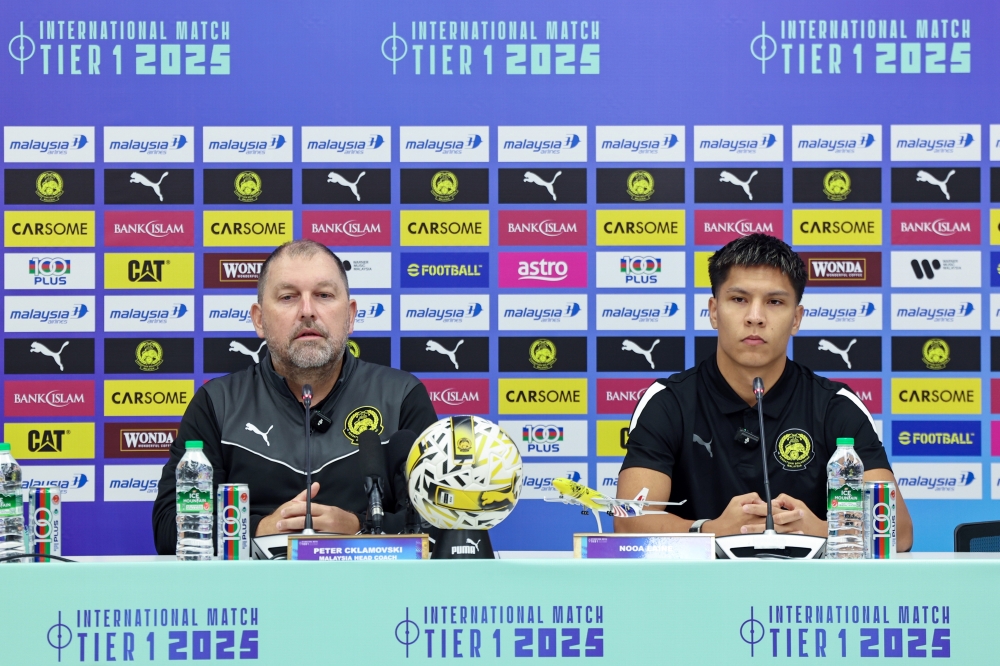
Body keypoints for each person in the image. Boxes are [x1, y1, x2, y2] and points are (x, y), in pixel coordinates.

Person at [615, 234, 913, 551]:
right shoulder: (668, 402)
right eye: (739, 299)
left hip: (808, 595)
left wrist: (822, 529)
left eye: (774, 302)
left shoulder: (835, 406)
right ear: (714, 311)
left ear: (796, 319)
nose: (755, 317)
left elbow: (900, 533)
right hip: (696, 593)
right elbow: (628, 523)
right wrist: (710, 531)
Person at [152, 240, 438, 554]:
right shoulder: (218, 404)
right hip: (253, 598)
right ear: (259, 319)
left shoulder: (400, 398)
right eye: (288, 297)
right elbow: (170, 530)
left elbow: (439, 525)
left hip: (370, 596)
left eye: (324, 295)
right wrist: (258, 528)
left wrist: (359, 527)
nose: (307, 311)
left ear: (351, 316)